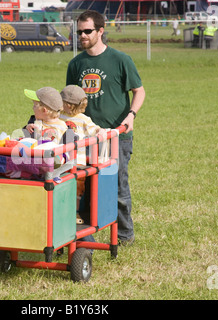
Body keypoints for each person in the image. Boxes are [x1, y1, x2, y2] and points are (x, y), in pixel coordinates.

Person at [66, 10, 146, 246]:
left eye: (87, 31)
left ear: (101, 31)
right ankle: (84, 234)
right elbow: (71, 99)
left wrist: (131, 115)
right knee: (83, 186)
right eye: (79, 31)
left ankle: (124, 235)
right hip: (85, 138)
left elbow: (139, 91)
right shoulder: (76, 63)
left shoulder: (121, 60)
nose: (82, 35)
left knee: (117, 185)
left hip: (115, 136)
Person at [59, 84, 101, 225]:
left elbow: (94, 129)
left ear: (69, 105)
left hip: (78, 162)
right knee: (61, 186)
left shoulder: (83, 119)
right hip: (61, 160)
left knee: (77, 188)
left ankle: (74, 213)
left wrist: (99, 131)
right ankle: (61, 211)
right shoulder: (58, 116)